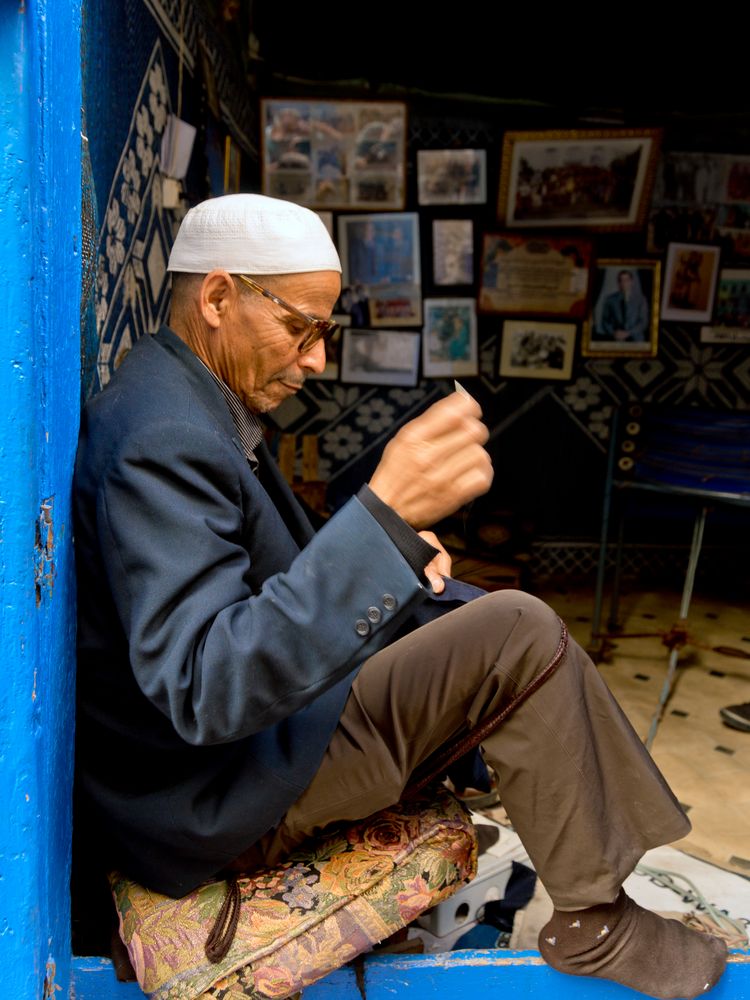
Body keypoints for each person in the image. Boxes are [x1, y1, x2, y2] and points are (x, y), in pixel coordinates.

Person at [73, 194, 727, 1000]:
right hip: (211, 793)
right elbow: (207, 685)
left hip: (250, 748)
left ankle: (523, 781)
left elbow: (278, 578)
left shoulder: (195, 401)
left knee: (477, 611)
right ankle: (596, 921)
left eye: (326, 333)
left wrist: (395, 556)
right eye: (301, 327)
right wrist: (380, 520)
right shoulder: (163, 437)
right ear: (216, 299)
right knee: (517, 628)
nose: (315, 360)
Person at [599, 269, 649, 342]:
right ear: (618, 283)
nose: (623, 283)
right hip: (617, 339)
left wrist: (628, 333)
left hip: (636, 340)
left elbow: (643, 322)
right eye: (621, 280)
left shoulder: (641, 299)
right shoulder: (610, 300)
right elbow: (605, 321)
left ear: (632, 282)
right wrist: (614, 332)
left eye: (626, 280)